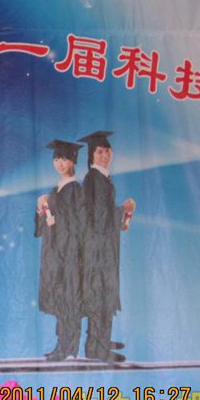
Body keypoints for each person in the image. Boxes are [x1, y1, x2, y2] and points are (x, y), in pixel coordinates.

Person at [78, 130, 135, 363]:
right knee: (99, 294)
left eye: (107, 151)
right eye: (99, 152)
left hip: (103, 246)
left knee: (104, 294)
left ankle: (101, 340)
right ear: (91, 155)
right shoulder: (94, 178)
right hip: (98, 250)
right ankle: (96, 347)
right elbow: (100, 216)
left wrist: (121, 219)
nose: (104, 155)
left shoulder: (102, 178)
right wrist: (123, 209)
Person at [35, 140, 85, 361]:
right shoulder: (56, 190)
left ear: (73, 160)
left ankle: (69, 347)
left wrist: (57, 221)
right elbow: (42, 229)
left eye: (64, 159)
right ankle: (63, 346)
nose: (60, 163)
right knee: (61, 301)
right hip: (56, 254)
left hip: (70, 254)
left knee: (69, 300)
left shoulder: (76, 190)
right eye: (56, 159)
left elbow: (79, 224)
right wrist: (41, 209)